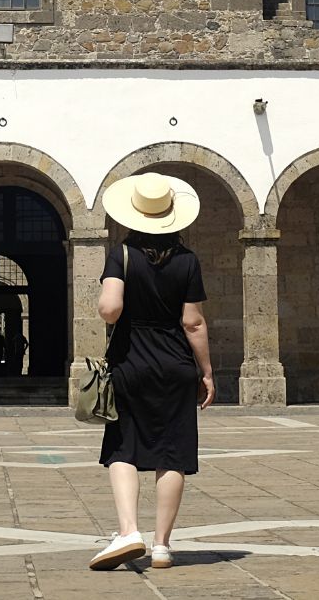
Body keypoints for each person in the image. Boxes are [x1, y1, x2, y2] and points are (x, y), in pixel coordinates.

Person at [89, 172, 213, 571]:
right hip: (176, 365)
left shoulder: (122, 255)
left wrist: (113, 295)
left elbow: (110, 309)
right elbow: (193, 323)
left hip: (131, 361)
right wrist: (206, 372)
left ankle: (129, 531)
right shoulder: (187, 261)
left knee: (123, 447)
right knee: (172, 453)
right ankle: (162, 546)